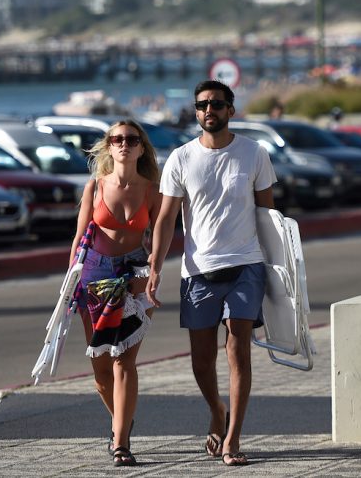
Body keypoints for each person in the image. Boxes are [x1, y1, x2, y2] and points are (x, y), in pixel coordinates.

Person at [147, 80, 277, 468]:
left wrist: (280, 274)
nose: (209, 111)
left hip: (246, 266)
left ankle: (233, 438)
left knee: (238, 351)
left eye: (217, 104)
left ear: (231, 110)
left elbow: (268, 217)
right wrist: (154, 267)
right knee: (201, 362)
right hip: (198, 272)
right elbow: (166, 218)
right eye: (202, 105)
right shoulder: (181, 159)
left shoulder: (254, 153)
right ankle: (216, 410)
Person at [70, 120, 161, 467]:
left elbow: (162, 235)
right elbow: (80, 239)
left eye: (132, 139)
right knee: (100, 365)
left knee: (125, 359)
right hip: (95, 272)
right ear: (109, 146)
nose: (124, 144)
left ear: (141, 147)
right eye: (117, 139)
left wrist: (155, 265)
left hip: (135, 273)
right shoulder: (94, 187)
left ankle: (121, 442)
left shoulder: (153, 191)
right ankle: (121, 420)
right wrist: (69, 283)